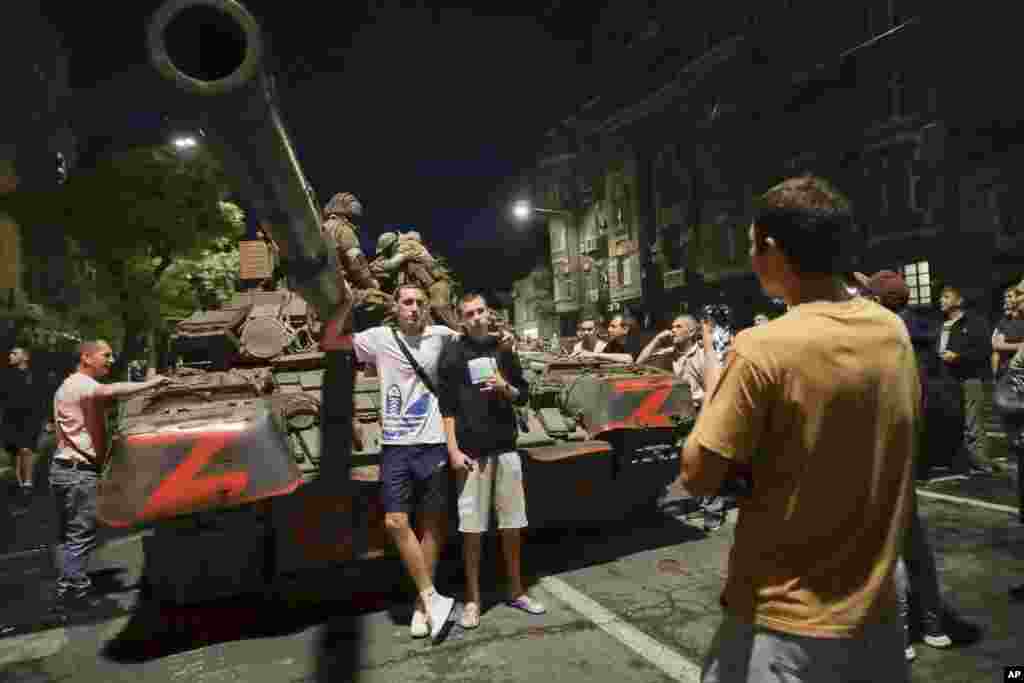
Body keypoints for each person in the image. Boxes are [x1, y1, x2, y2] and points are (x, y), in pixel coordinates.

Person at [681, 176, 915, 682]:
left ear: (772, 249)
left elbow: (698, 473)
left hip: (784, 622)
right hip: (876, 609)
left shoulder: (764, 346)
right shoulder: (891, 332)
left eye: (751, 245)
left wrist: (716, 378)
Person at [352, 284, 457, 640]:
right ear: (396, 306)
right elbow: (335, 340)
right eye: (407, 302)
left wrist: (499, 338)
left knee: (432, 525)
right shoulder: (378, 338)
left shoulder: (441, 335)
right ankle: (432, 598)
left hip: (433, 443)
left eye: (419, 303)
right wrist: (342, 304)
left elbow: (474, 342)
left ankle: (421, 605)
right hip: (397, 444)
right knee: (396, 521)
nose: (413, 308)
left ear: (427, 308)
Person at [438, 292, 545, 629]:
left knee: (512, 525)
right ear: (460, 318)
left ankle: (516, 589)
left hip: (505, 449)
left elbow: (523, 393)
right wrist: (453, 450)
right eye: (468, 313)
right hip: (471, 454)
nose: (475, 317)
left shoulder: (504, 350)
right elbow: (447, 408)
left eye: (480, 311)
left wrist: (505, 387)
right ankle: (473, 600)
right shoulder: (453, 354)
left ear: (488, 313)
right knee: (472, 531)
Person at [864, 271, 953, 661]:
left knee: (888, 550)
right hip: (911, 447)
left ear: (879, 302)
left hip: (879, 449)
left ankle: (898, 638)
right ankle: (933, 625)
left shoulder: (880, 335)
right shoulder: (920, 329)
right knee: (914, 543)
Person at [50, 340, 168, 612]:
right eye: (106, 355)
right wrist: (150, 384)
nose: (111, 360)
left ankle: (68, 587)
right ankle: (74, 594)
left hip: (67, 470)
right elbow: (113, 391)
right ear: (86, 358)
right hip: (77, 472)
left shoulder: (71, 385)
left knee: (70, 535)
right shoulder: (81, 384)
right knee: (80, 534)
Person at [938, 283, 996, 474]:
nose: (941, 300)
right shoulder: (942, 324)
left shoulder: (974, 322)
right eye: (942, 297)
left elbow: (984, 350)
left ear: (959, 300)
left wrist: (958, 357)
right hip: (947, 379)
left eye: (946, 297)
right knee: (952, 420)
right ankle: (958, 459)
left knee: (973, 421)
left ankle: (980, 460)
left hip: (970, 378)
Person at [370, 230, 458, 329]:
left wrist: (377, 266)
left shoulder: (408, 246)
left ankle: (460, 335)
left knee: (439, 308)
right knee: (424, 316)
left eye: (386, 250)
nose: (385, 253)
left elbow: (391, 264)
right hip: (424, 288)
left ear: (393, 245)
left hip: (436, 285)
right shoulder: (399, 253)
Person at [2, 347, 47, 497]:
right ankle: (18, 484)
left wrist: (46, 419)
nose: (10, 355)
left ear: (25, 357)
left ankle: (27, 482)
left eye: (15, 353)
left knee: (26, 450)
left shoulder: (35, 376)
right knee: (14, 453)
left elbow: (42, 398)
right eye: (10, 353)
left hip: (30, 419)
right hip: (10, 419)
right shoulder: (6, 375)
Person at [572, 314, 642, 363]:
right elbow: (602, 358)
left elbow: (629, 358)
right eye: (609, 326)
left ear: (625, 329)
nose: (609, 329)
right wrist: (581, 356)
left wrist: (593, 354)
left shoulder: (635, 341)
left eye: (613, 326)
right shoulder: (613, 343)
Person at [992, 282, 1024, 379]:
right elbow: (997, 345)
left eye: (1010, 296)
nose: (1006, 300)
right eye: (1005, 297)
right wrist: (1020, 346)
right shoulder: (1005, 320)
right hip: (1006, 369)